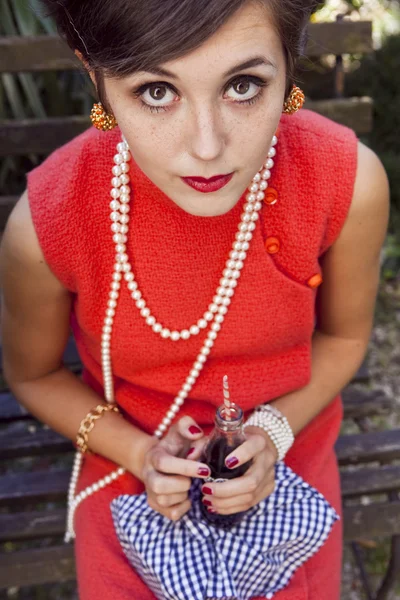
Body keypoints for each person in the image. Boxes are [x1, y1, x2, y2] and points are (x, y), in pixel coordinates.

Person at [0, 0, 390, 598]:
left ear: (291, 67)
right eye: (156, 91)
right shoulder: (49, 223)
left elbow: (344, 339)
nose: (206, 147)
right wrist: (141, 452)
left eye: (243, 84)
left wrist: (274, 435)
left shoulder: (345, 183)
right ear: (95, 77)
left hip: (293, 454)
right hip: (129, 471)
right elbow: (33, 375)